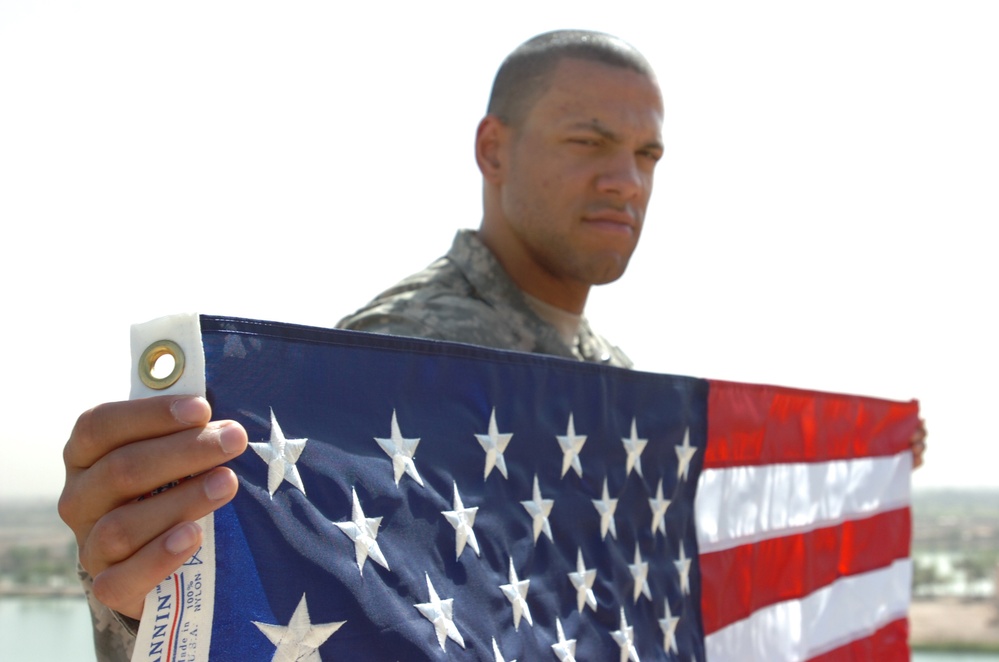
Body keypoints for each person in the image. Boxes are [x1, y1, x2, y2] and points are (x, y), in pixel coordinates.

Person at [59, 30, 926, 661]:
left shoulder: (602, 377)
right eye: (589, 142)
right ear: (493, 150)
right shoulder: (407, 358)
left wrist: (857, 476)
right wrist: (154, 604)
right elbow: (338, 618)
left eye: (646, 153)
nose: (625, 179)